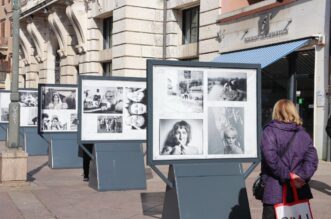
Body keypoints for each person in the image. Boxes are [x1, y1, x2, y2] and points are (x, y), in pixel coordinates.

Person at [260, 99, 318, 219]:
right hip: (299, 189)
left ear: (276, 112)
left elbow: (271, 159)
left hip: (275, 191)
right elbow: (312, 160)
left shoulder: (269, 131)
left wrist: (289, 177)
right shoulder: (303, 134)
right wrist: (299, 177)